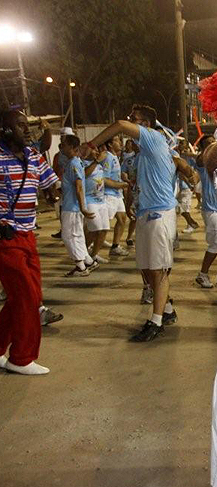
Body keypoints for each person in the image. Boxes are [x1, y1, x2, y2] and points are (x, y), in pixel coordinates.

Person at [84, 105, 180, 342]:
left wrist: (92, 145)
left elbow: (119, 125)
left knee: (158, 270)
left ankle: (155, 321)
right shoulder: (143, 154)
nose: (130, 123)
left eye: (134, 119)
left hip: (160, 214)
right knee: (147, 269)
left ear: (145, 124)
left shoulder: (154, 138)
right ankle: (167, 309)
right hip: (148, 212)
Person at [0, 109, 59, 375]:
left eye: (27, 125)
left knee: (25, 296)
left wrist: (54, 192)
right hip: (5, 237)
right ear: (4, 130)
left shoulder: (33, 157)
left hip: (28, 235)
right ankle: (21, 358)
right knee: (26, 298)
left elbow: (51, 183)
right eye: (20, 126)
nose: (27, 130)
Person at [59, 135, 99, 277]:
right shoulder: (75, 162)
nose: (61, 147)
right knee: (77, 235)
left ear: (71, 147)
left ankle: (80, 266)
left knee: (68, 236)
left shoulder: (74, 163)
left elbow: (79, 186)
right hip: (74, 205)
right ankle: (87, 261)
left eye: (63, 144)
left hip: (72, 206)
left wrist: (82, 207)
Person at [193, 136, 217, 288]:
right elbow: (200, 159)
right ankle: (202, 274)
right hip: (212, 210)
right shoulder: (203, 163)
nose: (214, 146)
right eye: (208, 144)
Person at [102, 136, 130, 257]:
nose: (120, 142)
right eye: (117, 140)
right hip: (109, 195)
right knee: (102, 225)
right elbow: (104, 179)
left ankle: (115, 246)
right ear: (110, 144)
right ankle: (89, 249)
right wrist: (120, 184)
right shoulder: (107, 157)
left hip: (117, 195)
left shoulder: (115, 157)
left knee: (122, 219)